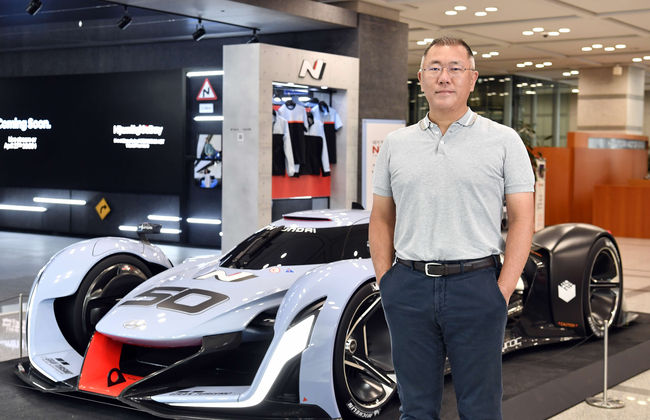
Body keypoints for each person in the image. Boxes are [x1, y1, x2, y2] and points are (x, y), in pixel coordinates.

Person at [369, 36, 535, 420]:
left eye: (455, 68)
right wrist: (386, 280)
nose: (444, 77)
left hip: (476, 286)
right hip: (408, 288)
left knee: (480, 409)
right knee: (415, 409)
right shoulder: (396, 143)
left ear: (472, 78)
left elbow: (523, 219)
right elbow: (381, 217)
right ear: (421, 78)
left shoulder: (504, 141)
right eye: (435, 68)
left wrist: (501, 291)